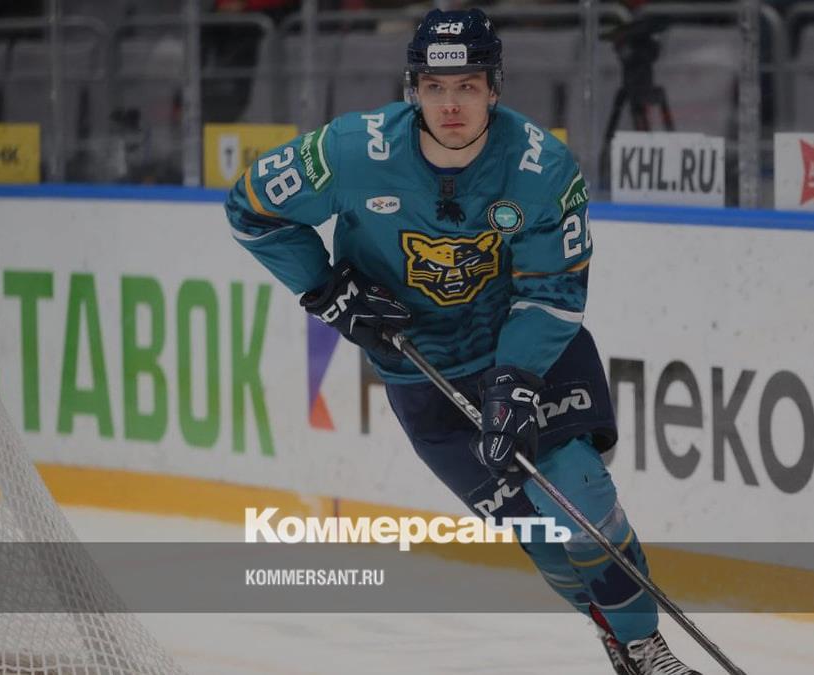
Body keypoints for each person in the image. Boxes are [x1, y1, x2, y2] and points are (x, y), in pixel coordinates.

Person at [225, 8, 704, 674]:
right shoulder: (352, 150)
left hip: (529, 353)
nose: (451, 105)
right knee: (541, 537)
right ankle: (615, 636)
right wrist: (326, 288)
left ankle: (647, 648)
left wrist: (516, 377)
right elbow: (251, 208)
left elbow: (553, 290)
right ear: (413, 89)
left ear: (494, 88)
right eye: (435, 87)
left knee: (576, 490)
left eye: (468, 87)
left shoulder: (540, 167)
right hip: (421, 372)